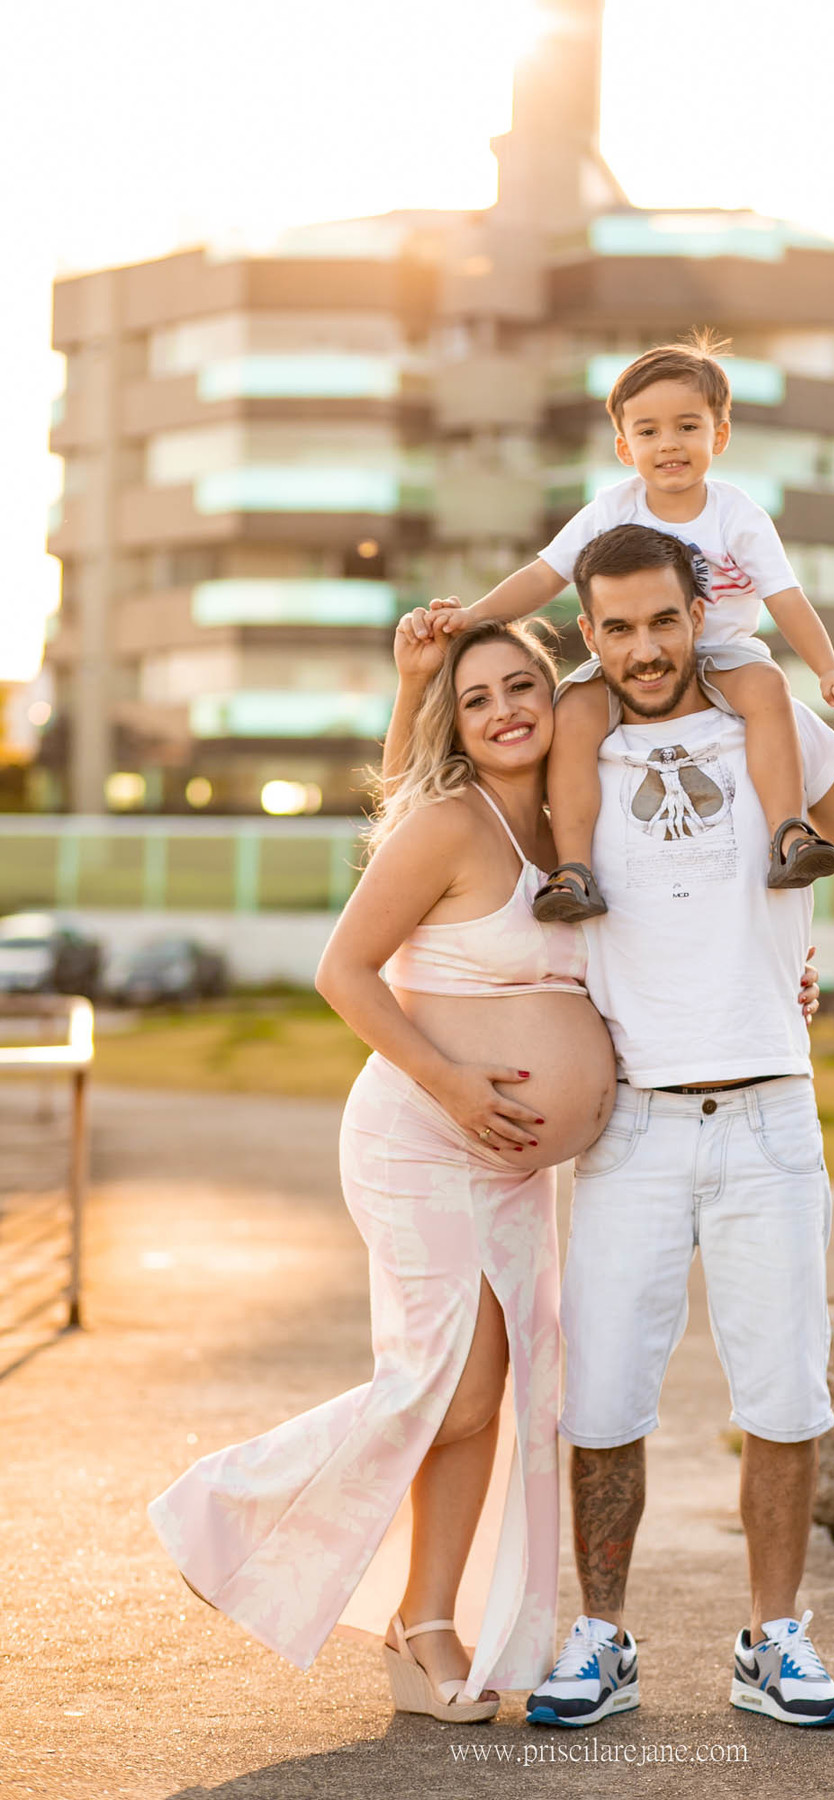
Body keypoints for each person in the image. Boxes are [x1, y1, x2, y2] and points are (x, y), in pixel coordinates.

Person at [416, 523, 834, 1731]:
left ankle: (775, 1636)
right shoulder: (567, 747)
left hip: (769, 1117)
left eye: (663, 620)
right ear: (587, 634)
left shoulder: (777, 724)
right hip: (633, 1128)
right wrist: (412, 686)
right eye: (618, 627)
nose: (645, 649)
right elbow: (436, 821)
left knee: (785, 1400)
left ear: (701, 611)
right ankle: (604, 1636)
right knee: (601, 1407)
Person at [148, 620, 619, 1723]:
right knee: (440, 1386)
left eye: (523, 687)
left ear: (554, 696)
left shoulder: (572, 825)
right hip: (420, 1139)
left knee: (491, 1398)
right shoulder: (447, 823)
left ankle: (429, 1626)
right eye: (477, 699)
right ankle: (225, 1514)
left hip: (510, 1171)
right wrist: (454, 1084)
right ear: (456, 725)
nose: (505, 709)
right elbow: (342, 972)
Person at [411, 332, 834, 921]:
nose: (669, 444)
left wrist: (827, 671)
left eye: (687, 427)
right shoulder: (612, 508)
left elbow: (788, 599)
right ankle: (573, 870)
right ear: (625, 447)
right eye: (648, 431)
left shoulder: (737, 514)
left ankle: (789, 834)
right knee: (573, 710)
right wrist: (473, 615)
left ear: (718, 435)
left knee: (769, 688)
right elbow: (543, 576)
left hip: (719, 655)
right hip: (630, 661)